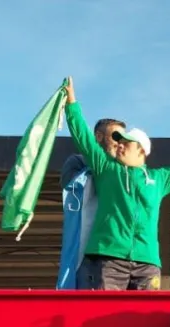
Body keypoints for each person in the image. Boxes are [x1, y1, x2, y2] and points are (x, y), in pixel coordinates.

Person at [63, 76, 170, 290]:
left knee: (146, 318)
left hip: (147, 264)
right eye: (119, 141)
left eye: (126, 142)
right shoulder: (107, 169)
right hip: (108, 259)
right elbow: (84, 138)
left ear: (142, 150)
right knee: (104, 318)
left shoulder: (159, 179)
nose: (120, 146)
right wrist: (71, 103)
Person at [55, 118, 126, 289]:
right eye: (116, 136)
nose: (120, 143)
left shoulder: (127, 172)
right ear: (98, 137)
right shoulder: (78, 162)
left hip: (117, 253)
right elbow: (70, 186)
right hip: (87, 250)